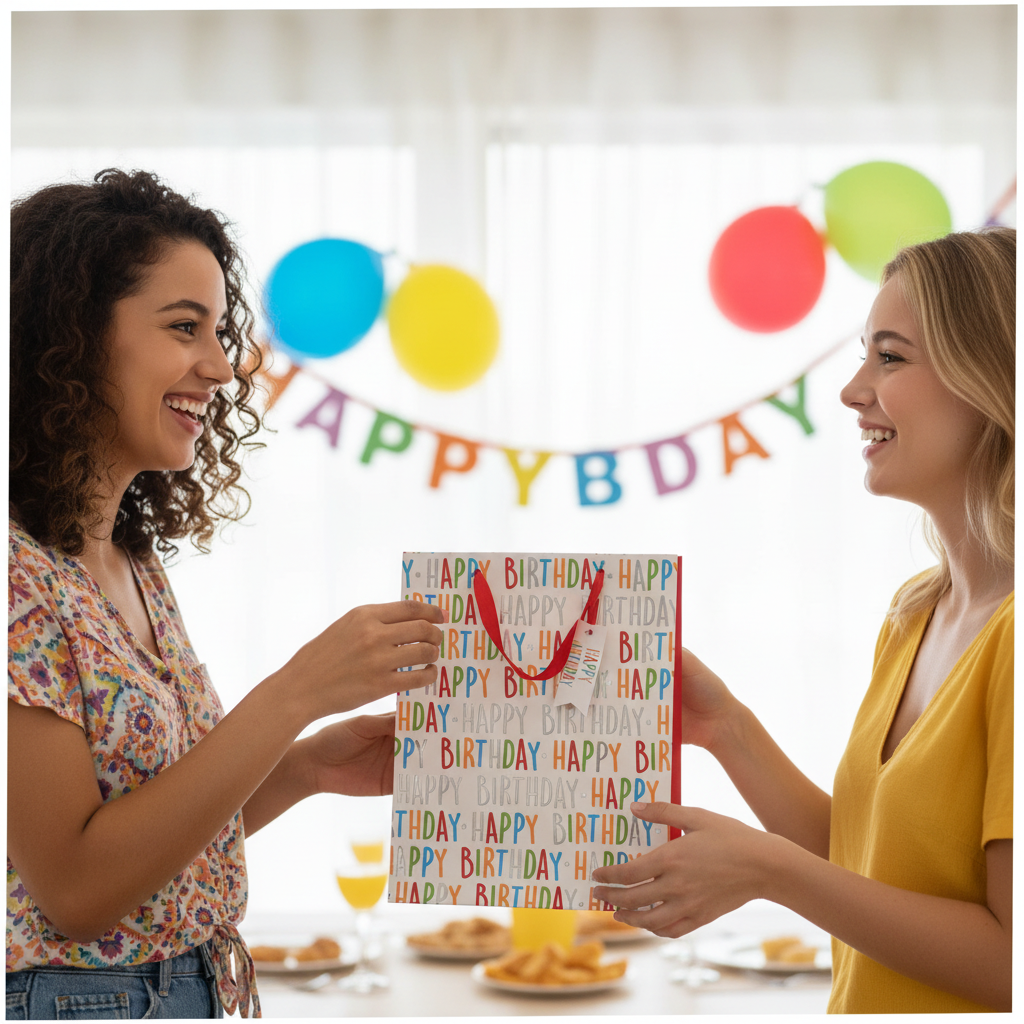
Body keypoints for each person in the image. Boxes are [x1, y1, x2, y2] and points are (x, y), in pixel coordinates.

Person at [7, 168, 445, 1020]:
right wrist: (296, 693)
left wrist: (308, 769)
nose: (217, 366)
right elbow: (79, 889)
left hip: (181, 991)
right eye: (183, 328)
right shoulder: (15, 580)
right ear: (70, 337)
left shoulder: (127, 559)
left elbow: (155, 840)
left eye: (218, 330)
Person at [592, 227, 1014, 1013]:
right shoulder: (917, 612)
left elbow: (1010, 962)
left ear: (990, 377)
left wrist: (768, 872)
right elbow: (865, 865)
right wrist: (729, 730)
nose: (855, 391)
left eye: (890, 357)